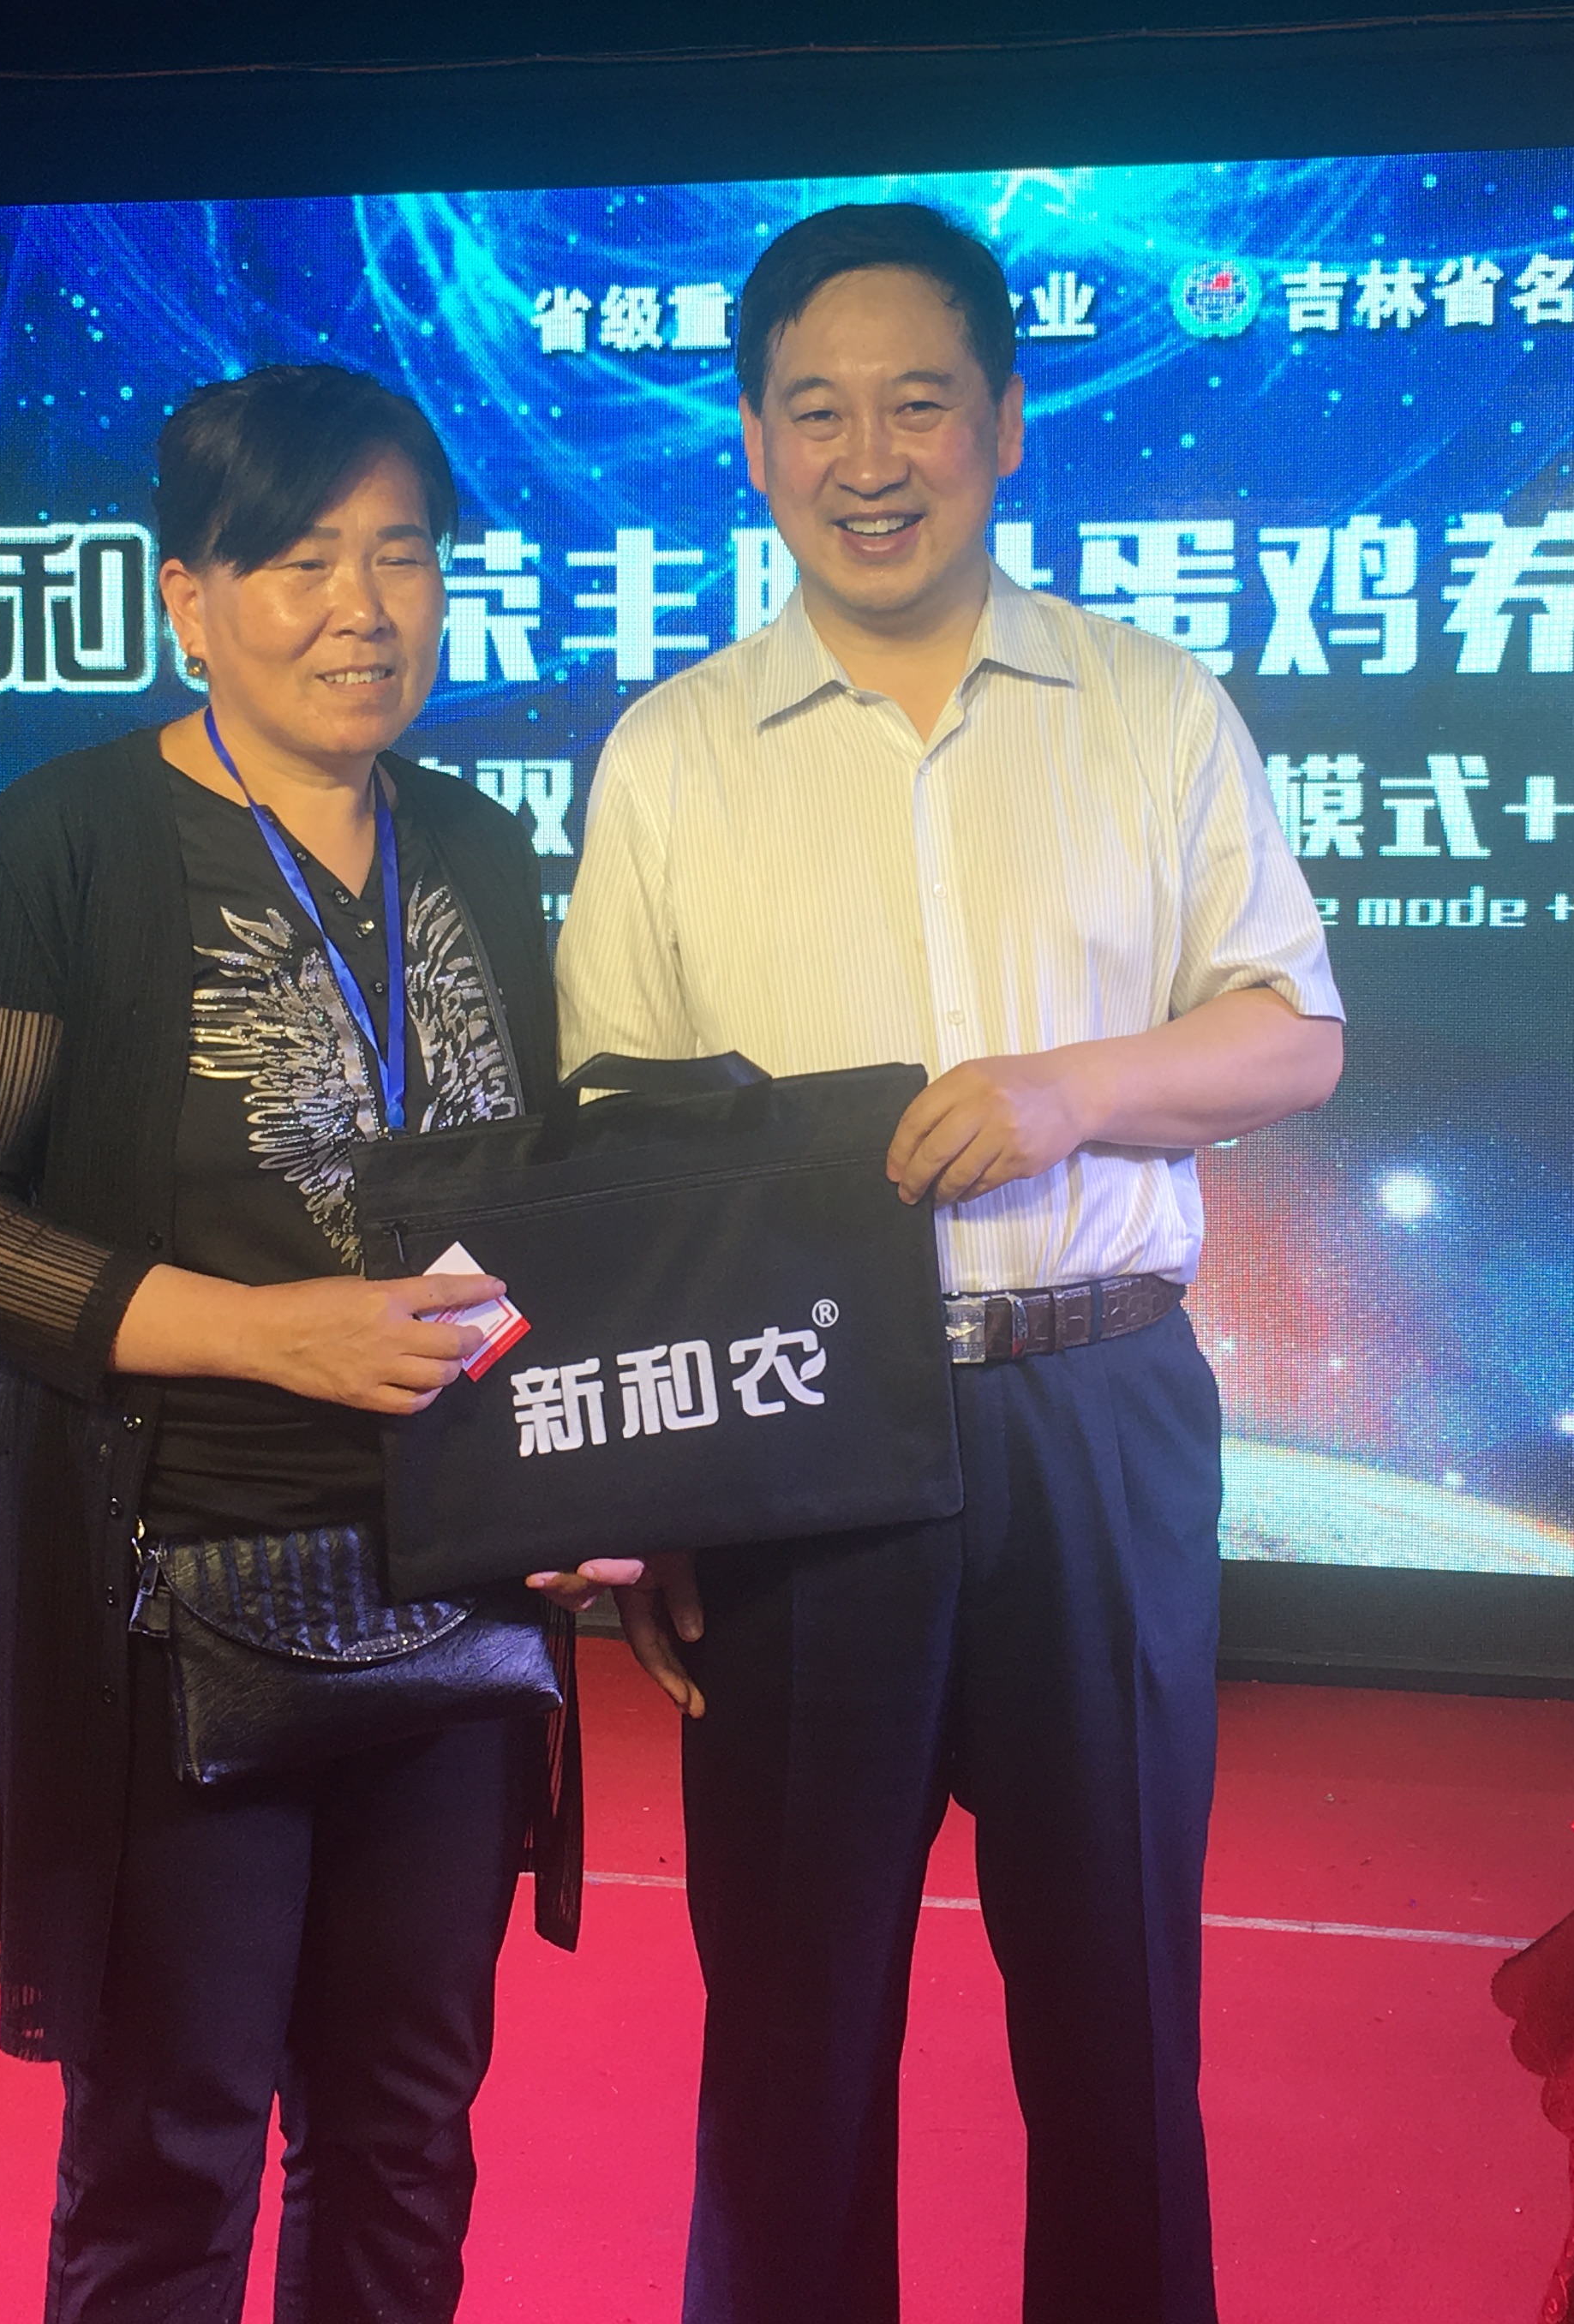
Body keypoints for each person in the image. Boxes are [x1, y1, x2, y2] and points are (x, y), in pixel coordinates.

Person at [551, 203, 1345, 2324]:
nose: (868, 457)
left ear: (1004, 424)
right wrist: (658, 1492)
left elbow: (1296, 1035)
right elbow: (624, 1155)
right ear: (751, 444)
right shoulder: (674, 756)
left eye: (918, 404)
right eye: (816, 411)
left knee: (1118, 2014)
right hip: (799, 1441)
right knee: (793, 2028)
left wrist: (1076, 1090)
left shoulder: (1148, 706)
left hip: (1096, 1411)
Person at [0, 362, 574, 2324]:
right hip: (181, 1601)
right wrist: (267, 1335)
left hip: (457, 1593)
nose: (364, 608)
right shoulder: (67, 843)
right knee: (174, 2147)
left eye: (403, 557)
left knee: (409, 2134)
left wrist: (593, 1462)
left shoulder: (478, 848)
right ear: (189, 596)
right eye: (300, 561)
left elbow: (542, 1206)